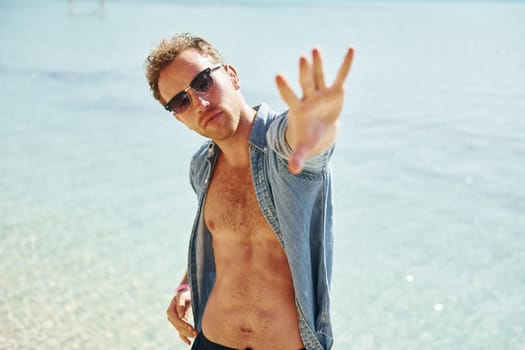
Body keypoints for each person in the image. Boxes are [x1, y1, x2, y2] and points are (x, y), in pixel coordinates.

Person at [144, 33, 354, 350]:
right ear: (179, 118)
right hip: (211, 341)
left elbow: (305, 143)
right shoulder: (202, 166)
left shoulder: (285, 150)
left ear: (231, 75)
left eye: (202, 81)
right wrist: (187, 283)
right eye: (181, 101)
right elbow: (221, 239)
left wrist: (319, 127)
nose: (199, 102)